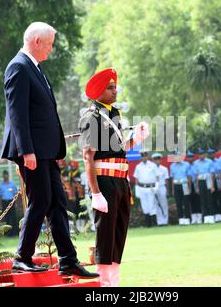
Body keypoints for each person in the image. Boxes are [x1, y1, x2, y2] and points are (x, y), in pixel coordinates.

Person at [0, 22, 97, 277]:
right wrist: (26, 150)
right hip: (32, 151)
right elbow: (17, 113)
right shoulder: (18, 67)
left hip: (46, 151)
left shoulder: (35, 68)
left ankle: (68, 259)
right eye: (50, 44)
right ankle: (22, 256)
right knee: (41, 199)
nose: (51, 50)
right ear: (36, 41)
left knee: (57, 202)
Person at [79, 67, 149, 287]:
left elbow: (118, 150)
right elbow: (88, 156)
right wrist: (95, 192)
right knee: (106, 233)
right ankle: (104, 283)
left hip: (121, 180)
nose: (114, 91)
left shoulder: (114, 114)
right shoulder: (90, 116)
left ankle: (114, 281)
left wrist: (135, 139)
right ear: (98, 91)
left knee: (119, 232)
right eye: (110, 88)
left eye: (115, 87)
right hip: (105, 182)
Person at [133, 151, 159, 228]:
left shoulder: (153, 165)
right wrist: (137, 188)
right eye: (142, 156)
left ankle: (155, 224)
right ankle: (148, 224)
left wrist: (156, 186)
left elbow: (157, 176)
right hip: (141, 188)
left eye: (145, 156)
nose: (143, 157)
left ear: (147, 156)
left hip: (150, 188)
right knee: (145, 206)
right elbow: (136, 179)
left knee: (152, 205)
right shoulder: (138, 166)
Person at [194, 148, 216, 224]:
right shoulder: (196, 163)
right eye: (199, 154)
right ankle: (206, 217)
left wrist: (212, 185)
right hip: (201, 181)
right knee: (203, 200)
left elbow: (212, 174)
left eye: (202, 154)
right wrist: (197, 187)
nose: (201, 156)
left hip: (208, 180)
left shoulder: (209, 162)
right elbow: (196, 176)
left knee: (209, 199)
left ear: (205, 154)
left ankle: (211, 216)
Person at [169, 152, 191, 225]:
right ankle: (181, 219)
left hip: (184, 184)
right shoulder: (172, 166)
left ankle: (187, 218)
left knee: (186, 202)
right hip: (176, 185)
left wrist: (189, 187)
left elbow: (189, 177)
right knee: (178, 203)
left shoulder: (186, 164)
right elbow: (172, 179)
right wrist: (173, 189)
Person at [0, 170, 19, 236]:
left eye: (6, 174)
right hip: (4, 203)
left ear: (8, 175)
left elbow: (16, 194)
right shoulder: (0, 185)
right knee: (7, 218)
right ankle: (8, 234)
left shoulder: (12, 184)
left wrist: (16, 203)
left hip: (11, 202)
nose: (5, 176)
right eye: (4, 175)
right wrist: (0, 205)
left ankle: (15, 233)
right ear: (2, 176)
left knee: (13, 217)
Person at [207, 147, 221, 222]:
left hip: (218, 180)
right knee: (212, 199)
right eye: (209, 154)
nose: (210, 155)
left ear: (214, 154)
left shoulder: (218, 161)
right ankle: (215, 215)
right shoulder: (207, 162)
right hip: (210, 181)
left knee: (220, 199)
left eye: (212, 153)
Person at [151, 153, 169, 226]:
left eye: (158, 159)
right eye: (155, 159)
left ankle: (165, 221)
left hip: (162, 187)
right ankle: (159, 222)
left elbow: (166, 180)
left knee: (164, 204)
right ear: (153, 160)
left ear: (160, 160)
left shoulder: (164, 169)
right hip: (154, 188)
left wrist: (167, 190)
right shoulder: (151, 169)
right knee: (156, 205)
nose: (157, 161)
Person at [187, 151, 202, 224]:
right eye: (189, 157)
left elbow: (197, 175)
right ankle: (193, 218)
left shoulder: (196, 165)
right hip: (188, 184)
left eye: (191, 157)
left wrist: (198, 187)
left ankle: (199, 217)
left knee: (197, 201)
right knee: (191, 201)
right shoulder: (186, 165)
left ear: (193, 158)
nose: (190, 159)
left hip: (196, 183)